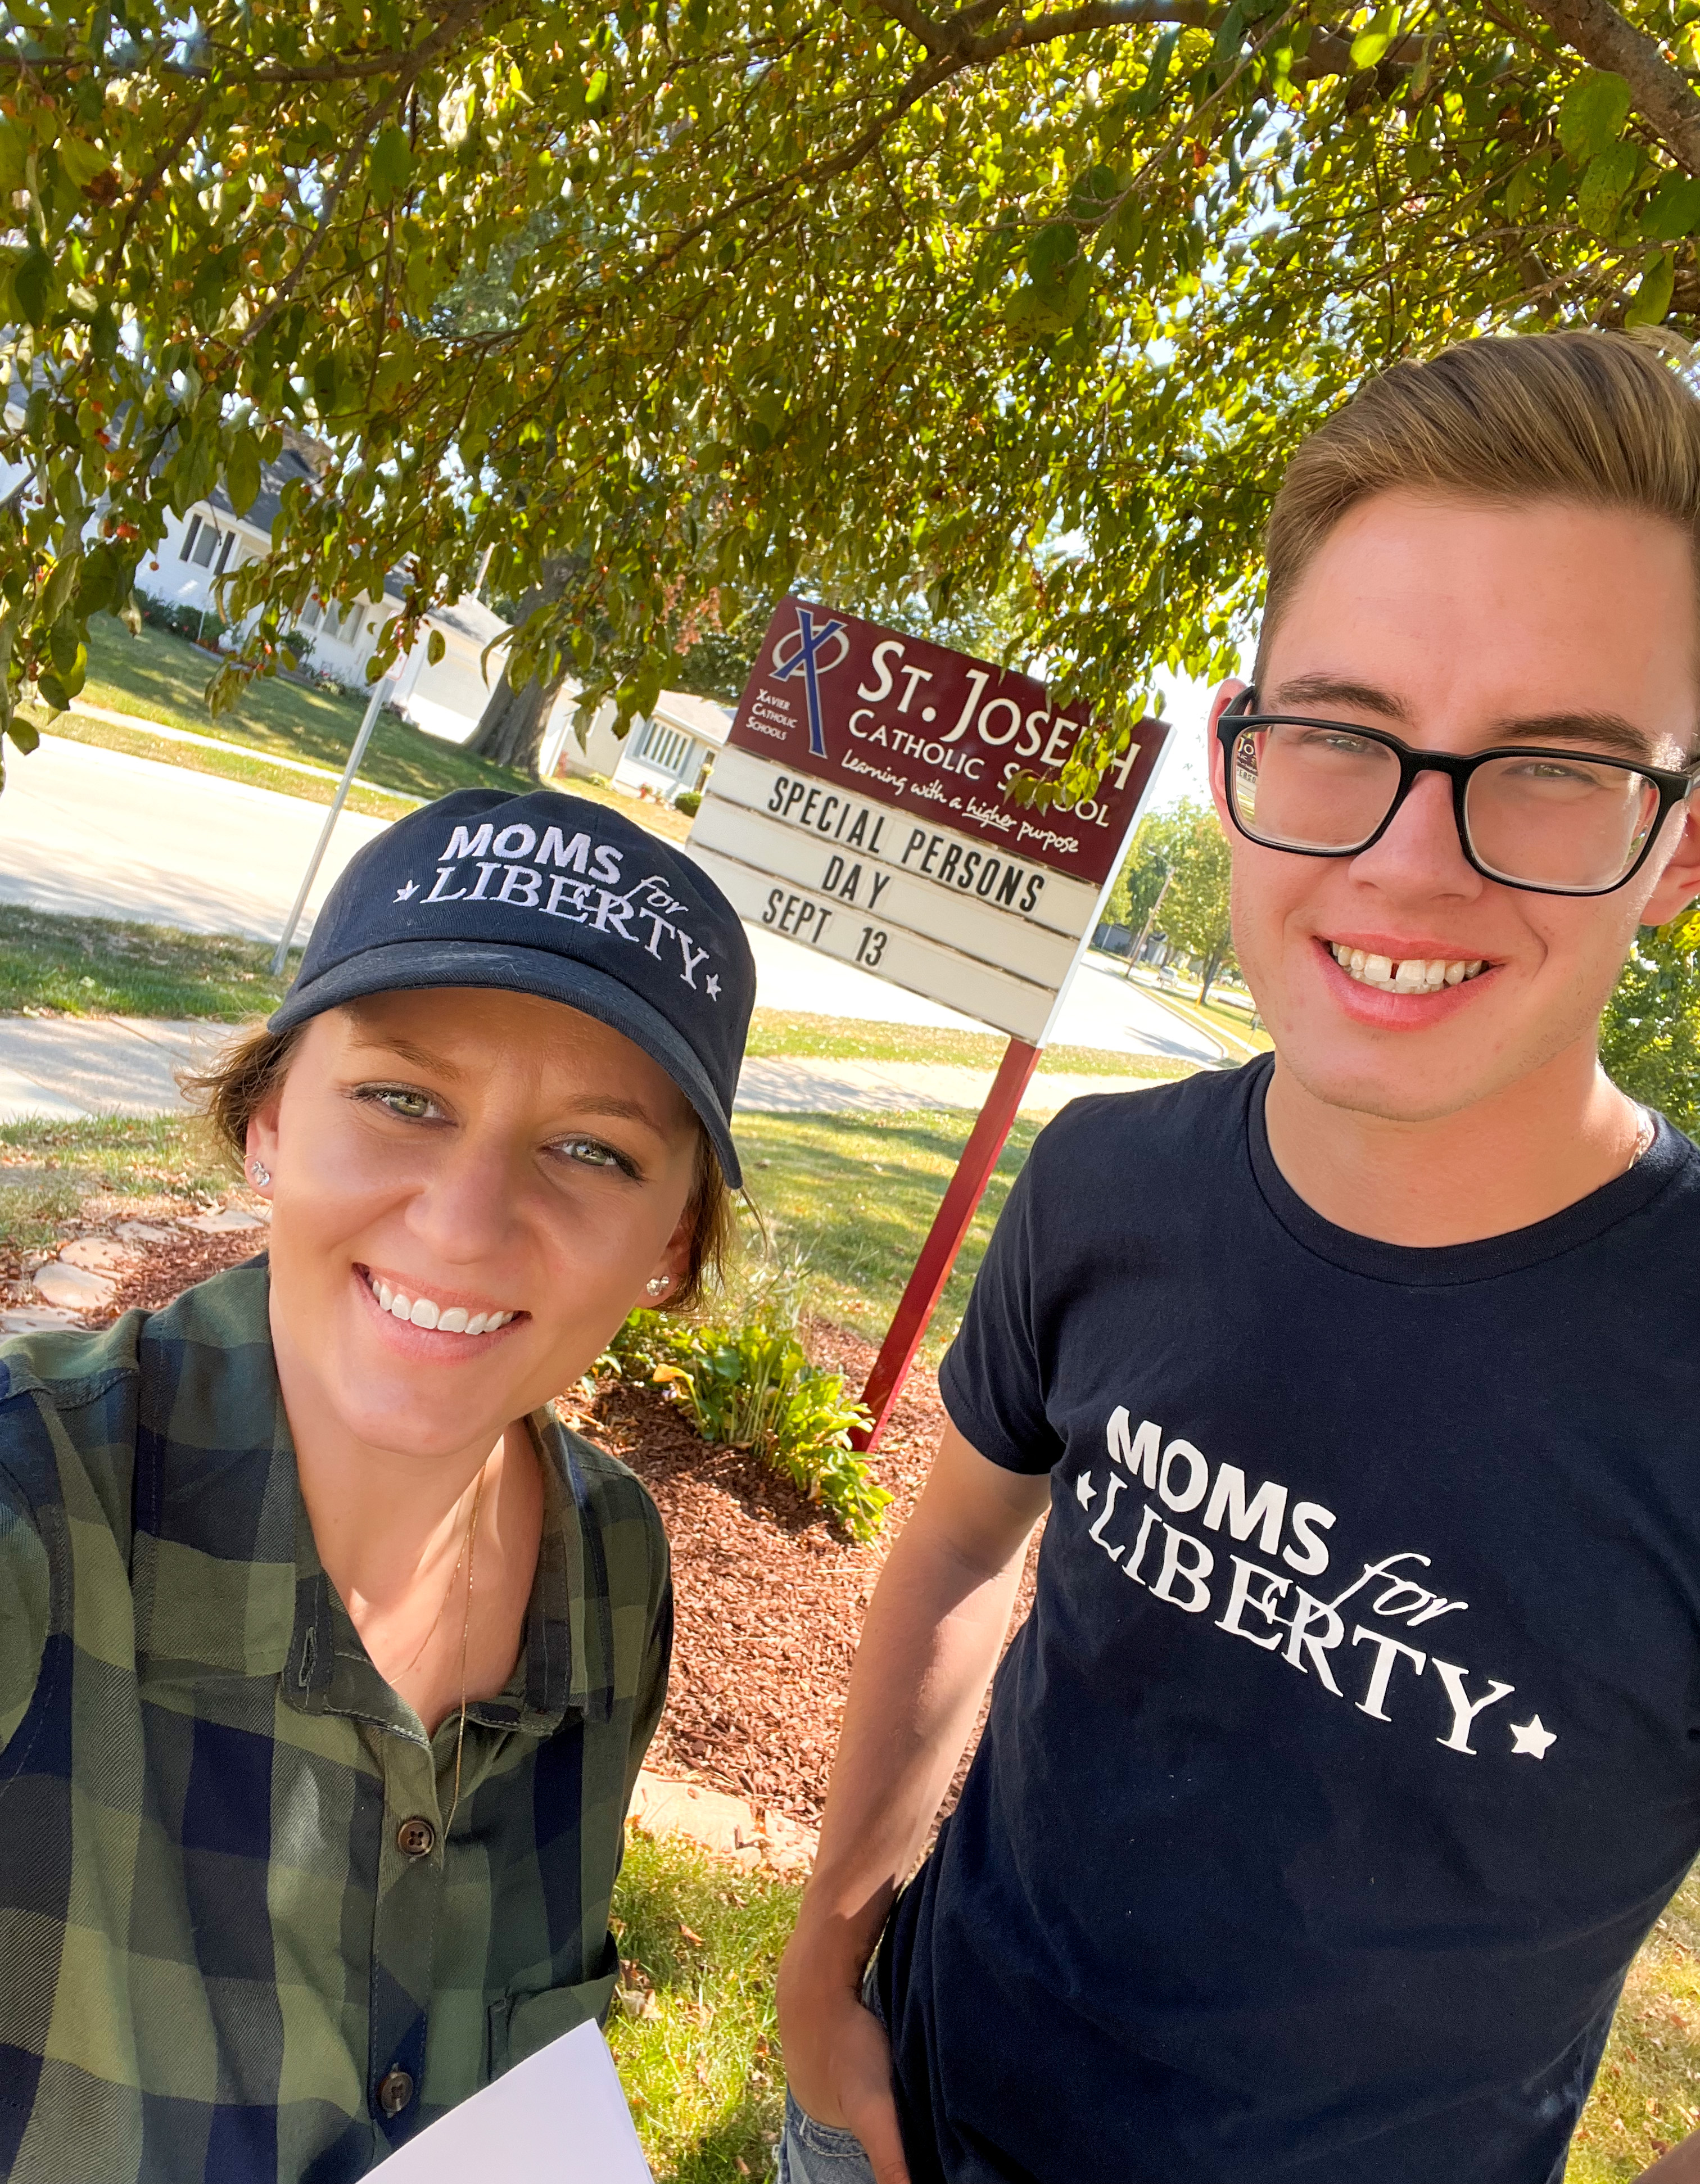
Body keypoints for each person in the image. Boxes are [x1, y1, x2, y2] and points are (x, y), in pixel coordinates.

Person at [775, 329, 1700, 2184]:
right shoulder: (1108, 1184)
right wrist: (822, 1967)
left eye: (1550, 771)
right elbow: (960, 1537)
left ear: (1676, 851)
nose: (1408, 866)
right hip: (905, 2120)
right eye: (1342, 733)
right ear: (1236, 760)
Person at [0, 786, 754, 2183]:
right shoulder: (29, 1505)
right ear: (270, 1122)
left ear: (670, 1248)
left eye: (593, 1150)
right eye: (404, 1099)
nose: (465, 1224)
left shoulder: (609, 1574)